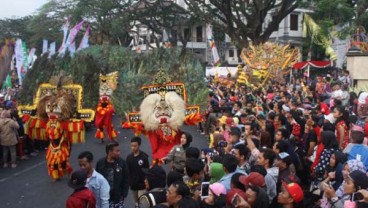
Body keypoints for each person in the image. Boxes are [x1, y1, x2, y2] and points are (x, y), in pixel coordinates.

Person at [96, 142, 129, 208]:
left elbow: (126, 178)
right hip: (104, 198)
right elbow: (97, 179)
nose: (119, 153)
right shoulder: (100, 163)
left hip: (118, 198)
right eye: (117, 151)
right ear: (110, 151)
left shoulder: (122, 163)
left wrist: (124, 194)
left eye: (119, 151)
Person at [126, 136, 149, 206]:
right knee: (136, 203)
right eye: (131, 146)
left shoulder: (144, 157)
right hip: (133, 185)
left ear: (139, 145)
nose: (133, 148)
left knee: (141, 203)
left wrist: (147, 182)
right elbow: (127, 171)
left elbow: (147, 171)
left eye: (135, 146)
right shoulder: (129, 157)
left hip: (142, 185)